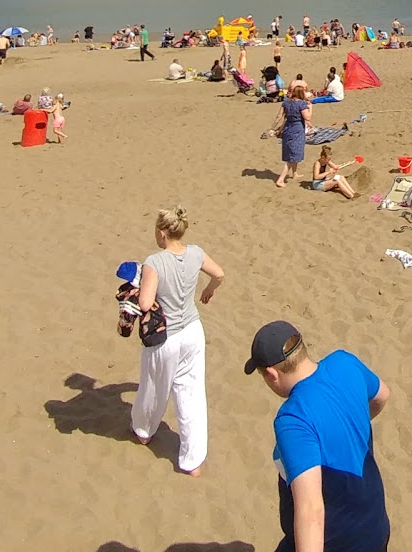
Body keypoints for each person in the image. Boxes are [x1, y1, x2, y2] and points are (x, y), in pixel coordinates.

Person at [245, 320, 391, 552]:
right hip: (376, 526)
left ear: (272, 375)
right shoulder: (345, 362)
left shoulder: (293, 420)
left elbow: (311, 510)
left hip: (339, 541)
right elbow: (382, 395)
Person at [129, 207, 224, 475]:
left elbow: (146, 302)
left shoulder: (154, 262)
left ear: (161, 233)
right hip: (193, 332)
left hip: (165, 336)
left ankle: (144, 430)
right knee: (191, 394)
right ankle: (193, 461)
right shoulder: (195, 252)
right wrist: (208, 290)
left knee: (153, 387)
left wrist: (135, 291)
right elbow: (219, 274)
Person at [273, 83, 311, 187]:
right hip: (297, 130)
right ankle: (280, 179)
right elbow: (307, 117)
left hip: (287, 129)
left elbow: (279, 116)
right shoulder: (302, 104)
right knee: (292, 156)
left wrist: (272, 128)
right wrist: (310, 107)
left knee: (293, 152)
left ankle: (295, 173)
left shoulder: (286, 103)